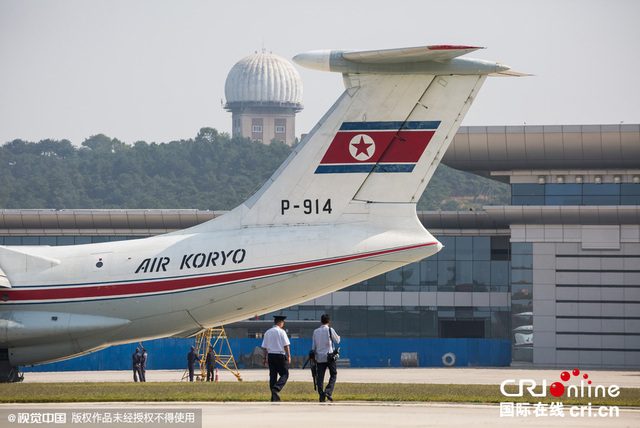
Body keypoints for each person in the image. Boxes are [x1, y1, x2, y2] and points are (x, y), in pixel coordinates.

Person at [261, 315, 291, 402]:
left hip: (271, 355)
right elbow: (286, 345)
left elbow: (264, 347)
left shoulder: (267, 332)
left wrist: (264, 358)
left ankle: (273, 397)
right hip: (280, 355)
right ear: (280, 322)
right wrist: (289, 356)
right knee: (285, 374)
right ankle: (276, 389)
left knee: (273, 376)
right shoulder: (281, 332)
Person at [312, 313, 340, 402]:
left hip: (320, 357)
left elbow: (314, 346)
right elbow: (337, 341)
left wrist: (313, 357)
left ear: (321, 321)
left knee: (320, 377)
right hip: (329, 356)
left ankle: (321, 396)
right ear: (329, 322)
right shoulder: (330, 330)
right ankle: (328, 391)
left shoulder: (315, 331)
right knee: (333, 374)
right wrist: (338, 337)